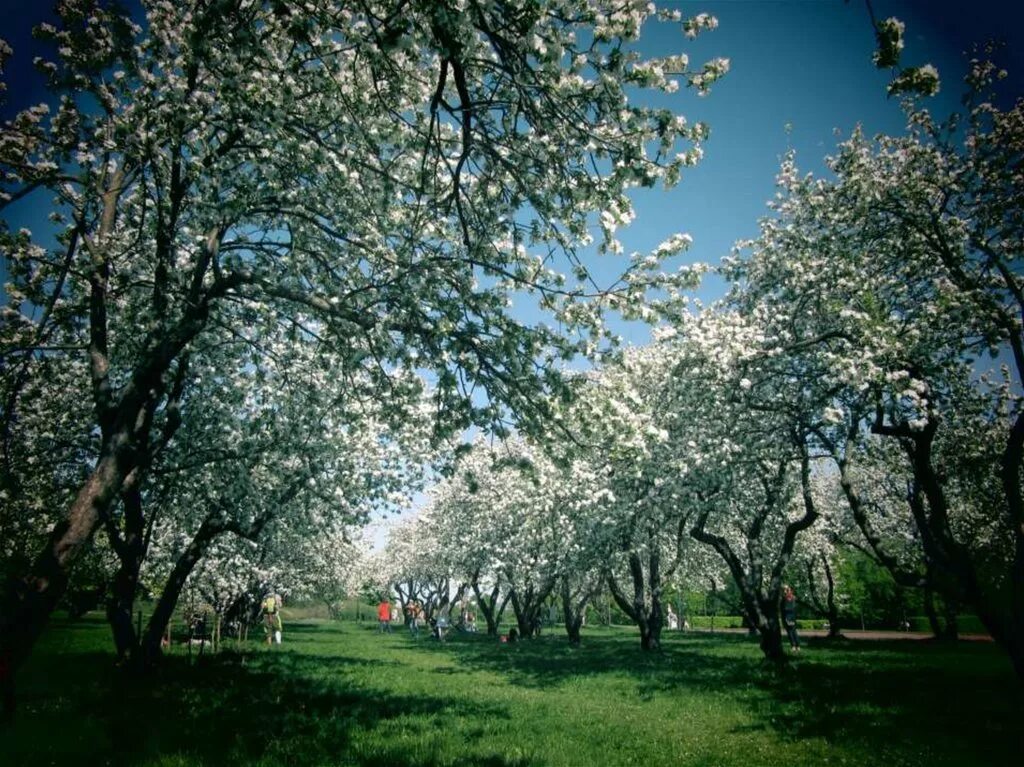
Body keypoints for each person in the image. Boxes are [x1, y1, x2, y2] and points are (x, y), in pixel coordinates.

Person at [782, 585, 800, 652]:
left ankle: (794, 646)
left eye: (787, 590)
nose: (786, 591)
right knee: (793, 631)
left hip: (789, 616)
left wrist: (785, 590)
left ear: (791, 591)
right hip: (792, 616)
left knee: (790, 631)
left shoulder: (787, 597)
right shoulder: (793, 597)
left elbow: (785, 597)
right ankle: (797, 646)